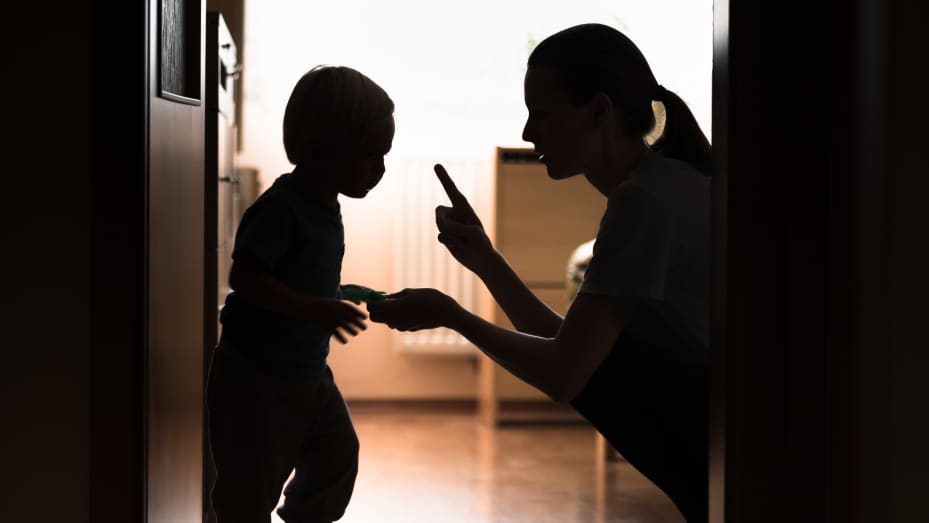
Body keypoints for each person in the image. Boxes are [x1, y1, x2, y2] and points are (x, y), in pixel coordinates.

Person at [367, 23, 711, 522]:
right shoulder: (659, 186)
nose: (529, 133)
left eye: (541, 115)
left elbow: (563, 374)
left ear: (598, 112)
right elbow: (571, 347)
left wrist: (453, 316)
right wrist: (484, 258)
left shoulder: (644, 202)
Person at [206, 65, 395, 523]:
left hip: (307, 373)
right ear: (322, 148)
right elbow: (247, 279)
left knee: (336, 455)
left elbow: (305, 278)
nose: (381, 168)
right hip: (256, 379)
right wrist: (315, 308)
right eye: (371, 154)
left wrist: (352, 294)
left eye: (385, 155)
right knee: (250, 487)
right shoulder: (280, 209)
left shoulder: (325, 206)